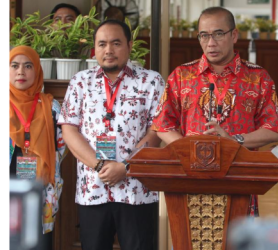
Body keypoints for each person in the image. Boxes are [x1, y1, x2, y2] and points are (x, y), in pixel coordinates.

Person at [150, 6, 278, 216]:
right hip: (191, 180)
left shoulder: (258, 78)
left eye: (218, 34)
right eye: (204, 35)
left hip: (239, 179)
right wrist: (191, 153)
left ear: (234, 35)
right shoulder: (181, 75)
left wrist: (234, 140)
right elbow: (162, 124)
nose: (210, 43)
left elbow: (273, 128)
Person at [58, 19, 165, 250]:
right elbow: (69, 129)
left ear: (129, 45)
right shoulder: (80, 82)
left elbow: (157, 129)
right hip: (93, 189)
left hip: (137, 189)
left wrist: (125, 167)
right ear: (94, 49)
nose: (108, 50)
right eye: (102, 44)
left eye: (116, 43)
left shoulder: (151, 81)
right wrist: (99, 166)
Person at [8, 46, 66, 249]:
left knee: (38, 243)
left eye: (28, 66)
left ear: (37, 71)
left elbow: (61, 149)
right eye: (14, 66)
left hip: (41, 193)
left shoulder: (51, 107)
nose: (21, 72)